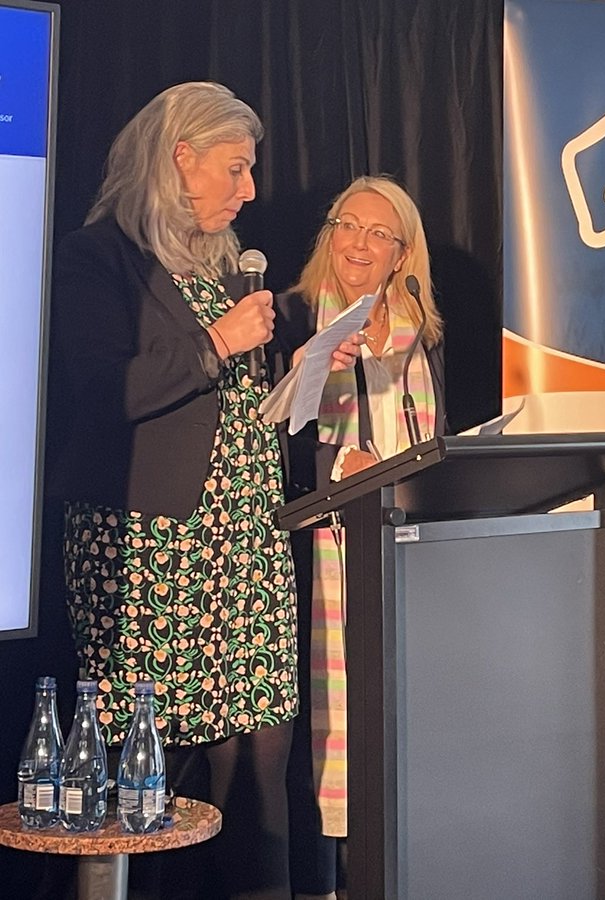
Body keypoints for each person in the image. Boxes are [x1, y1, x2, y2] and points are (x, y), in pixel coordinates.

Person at [51, 81, 357, 900]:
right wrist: (220, 343)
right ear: (179, 159)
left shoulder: (225, 267)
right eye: (235, 168)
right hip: (151, 551)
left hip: (246, 541)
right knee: (158, 758)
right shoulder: (98, 257)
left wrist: (304, 371)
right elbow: (98, 393)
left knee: (260, 752)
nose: (249, 190)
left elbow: (234, 407)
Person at [272, 175, 445, 899]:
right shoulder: (291, 317)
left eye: (379, 234)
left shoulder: (423, 334)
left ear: (403, 254)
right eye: (349, 225)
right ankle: (325, 879)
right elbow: (272, 443)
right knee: (328, 722)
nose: (359, 244)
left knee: (401, 714)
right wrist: (344, 462)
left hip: (405, 549)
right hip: (317, 555)